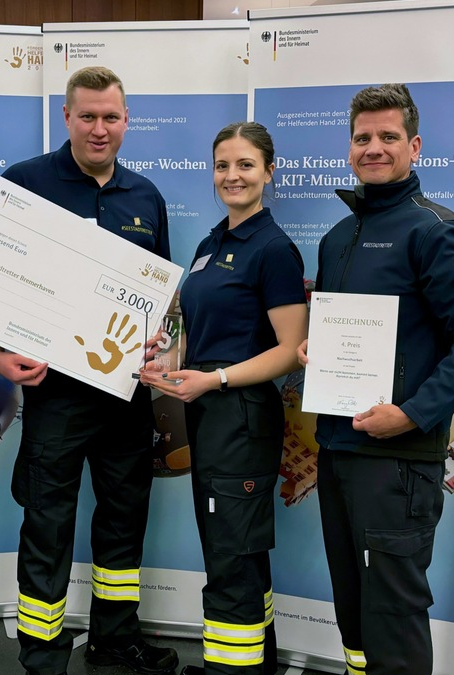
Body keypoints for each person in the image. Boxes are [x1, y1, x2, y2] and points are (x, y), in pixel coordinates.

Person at [297, 83, 454, 675]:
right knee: (355, 614)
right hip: (337, 447)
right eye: (363, 137)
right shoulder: (340, 237)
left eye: (388, 136)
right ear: (349, 148)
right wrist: (319, 345)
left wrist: (413, 413)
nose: (374, 147)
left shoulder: (436, 232)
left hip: (397, 458)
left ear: (414, 146)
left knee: (393, 614)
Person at [0, 66, 177, 675]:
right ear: (66, 116)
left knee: (124, 522)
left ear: (127, 121)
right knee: (48, 524)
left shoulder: (146, 196)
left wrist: (162, 341)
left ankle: (114, 642)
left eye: (111, 117)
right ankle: (42, 657)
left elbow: (161, 298)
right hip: (56, 395)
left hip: (125, 396)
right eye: (87, 116)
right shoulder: (24, 183)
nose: (99, 129)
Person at [141, 122, 307, 675]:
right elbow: (201, 332)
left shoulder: (273, 249)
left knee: (232, 555)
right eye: (222, 165)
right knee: (234, 547)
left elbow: (288, 351)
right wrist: (169, 366)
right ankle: (252, 667)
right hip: (209, 412)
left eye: (244, 165)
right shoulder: (212, 243)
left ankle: (229, 671)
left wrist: (214, 381)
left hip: (239, 414)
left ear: (268, 171)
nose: (231, 176)